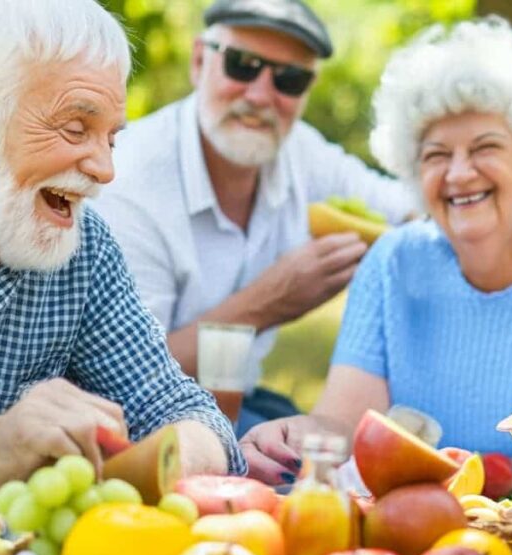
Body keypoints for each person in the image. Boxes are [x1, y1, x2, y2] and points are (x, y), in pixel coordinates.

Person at [241, 18, 512, 484]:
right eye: (436, 155)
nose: (459, 173)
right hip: (417, 526)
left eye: (485, 147)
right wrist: (295, 434)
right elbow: (342, 425)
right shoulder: (392, 261)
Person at [0, 0, 243, 537]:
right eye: (76, 127)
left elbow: (181, 409)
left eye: (111, 137)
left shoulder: (83, 252)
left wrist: (186, 450)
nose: (105, 170)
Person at [91, 0, 419, 435]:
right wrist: (266, 303)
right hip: (141, 420)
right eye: (242, 65)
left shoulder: (300, 151)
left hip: (241, 401)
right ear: (198, 61)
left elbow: (409, 212)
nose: (261, 95)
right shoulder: (131, 182)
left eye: (289, 79)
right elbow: (123, 376)